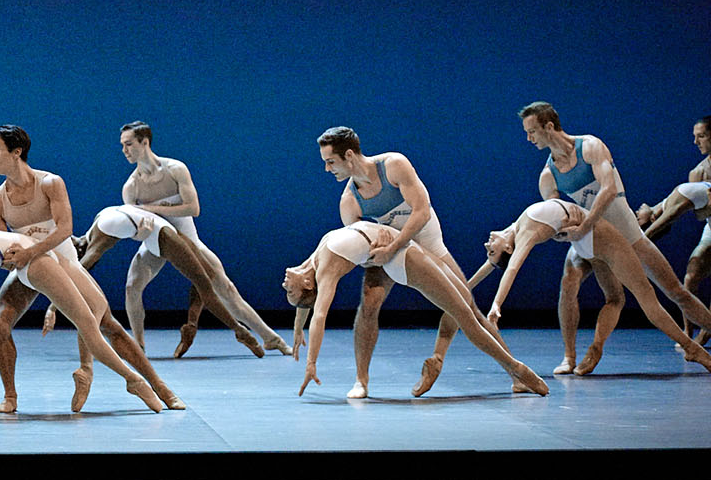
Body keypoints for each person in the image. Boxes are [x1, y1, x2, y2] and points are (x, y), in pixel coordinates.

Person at [0, 124, 179, 414]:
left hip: (62, 261)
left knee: (107, 323)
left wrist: (31, 251)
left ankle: (159, 386)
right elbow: (3, 251)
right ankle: (10, 396)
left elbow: (65, 229)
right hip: (31, 269)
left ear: (16, 152)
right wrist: (12, 259)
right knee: (0, 322)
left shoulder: (51, 183)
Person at [520, 102, 711, 368]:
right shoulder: (547, 176)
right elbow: (558, 215)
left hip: (624, 230)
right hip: (592, 236)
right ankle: (570, 357)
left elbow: (608, 190)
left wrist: (585, 225)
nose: (529, 139)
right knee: (569, 283)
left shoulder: (589, 146)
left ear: (549, 126)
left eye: (532, 132)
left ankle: (693, 345)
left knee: (675, 292)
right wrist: (565, 233)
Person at [0, 222, 169, 413]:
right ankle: (133, 380)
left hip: (44, 253)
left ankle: (115, 376)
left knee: (98, 310)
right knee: (88, 324)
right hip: (35, 263)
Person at [317, 125, 492, 398]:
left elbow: (421, 212)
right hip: (392, 248)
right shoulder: (349, 202)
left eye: (330, 162)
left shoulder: (394, 165)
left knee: (465, 303)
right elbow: (360, 256)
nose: (328, 170)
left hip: (425, 237)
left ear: (349, 155)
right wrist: (377, 250)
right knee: (370, 300)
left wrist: (395, 243)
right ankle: (361, 380)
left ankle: (511, 371)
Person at [285, 220, 549, 398]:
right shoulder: (325, 271)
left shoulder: (313, 261)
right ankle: (516, 368)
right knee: (464, 315)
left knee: (465, 309)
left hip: (399, 246)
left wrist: (298, 328)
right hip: (402, 258)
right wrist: (311, 363)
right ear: (308, 283)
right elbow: (319, 314)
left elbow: (306, 304)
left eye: (288, 291)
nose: (286, 283)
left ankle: (513, 369)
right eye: (290, 290)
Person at [465, 198, 711, 371]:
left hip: (591, 240)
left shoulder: (515, 229)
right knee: (641, 297)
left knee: (626, 298)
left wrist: (464, 287)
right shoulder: (525, 233)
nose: (487, 246)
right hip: (595, 239)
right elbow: (511, 267)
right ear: (508, 248)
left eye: (488, 250)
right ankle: (692, 348)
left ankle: (689, 348)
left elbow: (494, 266)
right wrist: (496, 304)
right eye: (491, 251)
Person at [116, 121, 290, 355]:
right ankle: (138, 346)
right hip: (156, 244)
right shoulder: (131, 187)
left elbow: (193, 208)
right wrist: (144, 227)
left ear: (144, 142)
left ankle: (271, 338)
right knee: (131, 286)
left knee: (226, 289)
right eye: (123, 146)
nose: (125, 151)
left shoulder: (175, 169)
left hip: (190, 242)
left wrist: (152, 209)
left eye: (129, 145)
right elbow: (137, 227)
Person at [47, 202, 264, 358]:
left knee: (204, 284)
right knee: (190, 281)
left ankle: (239, 331)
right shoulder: (98, 220)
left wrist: (52, 308)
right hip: (155, 236)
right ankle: (146, 342)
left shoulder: (100, 236)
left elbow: (79, 270)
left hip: (164, 236)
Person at [635, 116, 711, 344]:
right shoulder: (697, 173)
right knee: (690, 277)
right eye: (694, 137)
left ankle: (705, 332)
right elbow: (680, 200)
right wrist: (655, 209)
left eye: (702, 136)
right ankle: (688, 333)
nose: (696, 142)